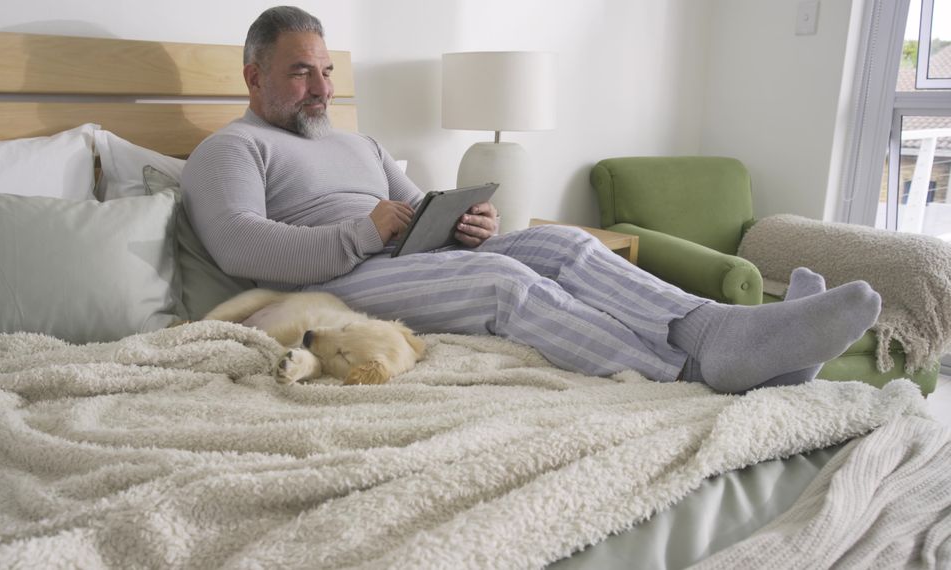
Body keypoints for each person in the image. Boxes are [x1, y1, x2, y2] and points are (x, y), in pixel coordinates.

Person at [182, 6, 881, 394]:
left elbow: (412, 206)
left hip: (396, 257)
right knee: (503, 282)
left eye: (327, 71)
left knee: (565, 241)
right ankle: (691, 370)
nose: (323, 89)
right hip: (339, 281)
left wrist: (459, 222)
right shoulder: (231, 150)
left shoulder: (356, 143)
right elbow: (243, 246)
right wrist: (364, 233)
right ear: (253, 76)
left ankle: (721, 331)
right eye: (301, 73)